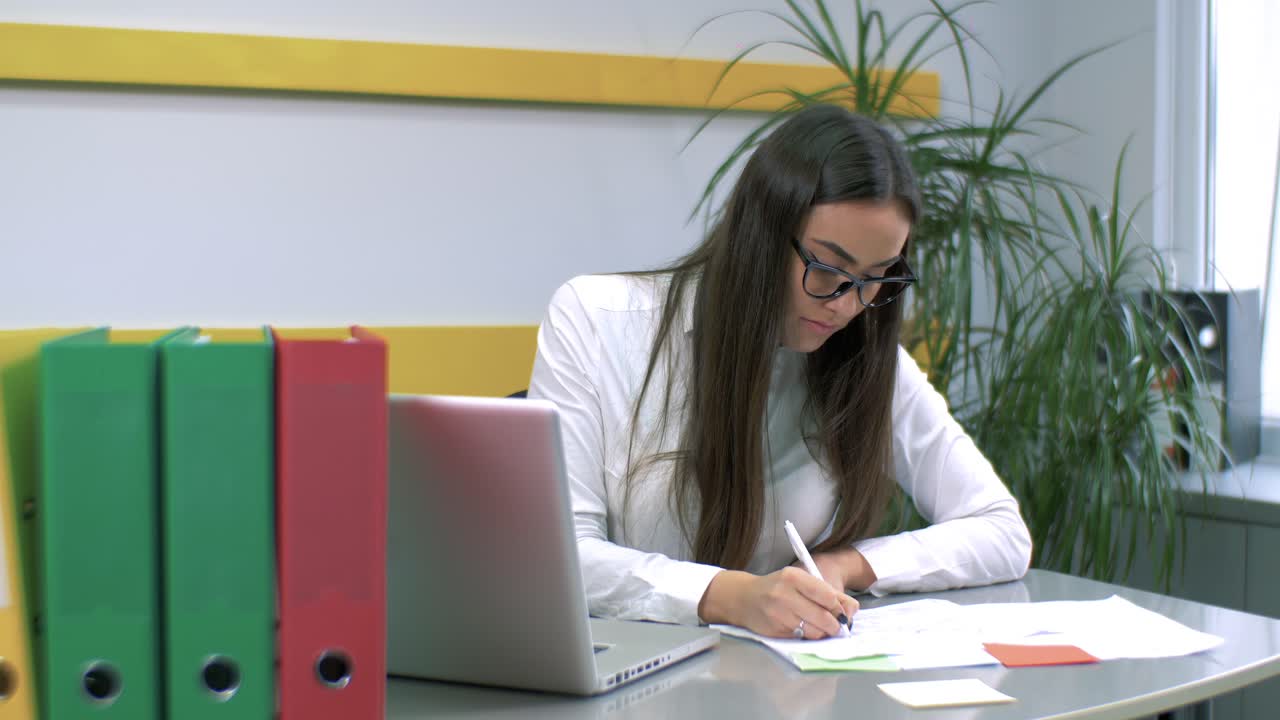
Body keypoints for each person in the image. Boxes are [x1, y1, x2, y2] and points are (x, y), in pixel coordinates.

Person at [527, 103, 1032, 641]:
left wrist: (846, 565)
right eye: (826, 267)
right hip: (628, 678)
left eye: (876, 278)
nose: (845, 305)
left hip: (786, 683)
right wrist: (728, 596)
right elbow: (553, 559)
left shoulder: (867, 359)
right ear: (760, 234)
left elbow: (1001, 531)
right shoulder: (596, 321)